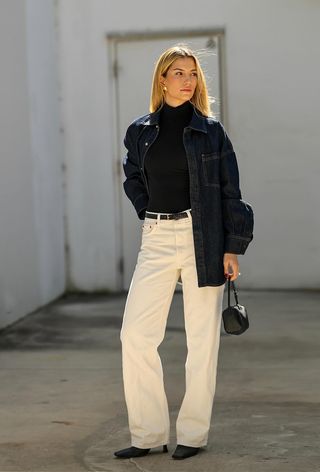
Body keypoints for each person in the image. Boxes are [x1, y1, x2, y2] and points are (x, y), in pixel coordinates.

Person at [114, 45, 254, 461]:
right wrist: (145, 210)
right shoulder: (140, 130)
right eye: (178, 72)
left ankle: (193, 434)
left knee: (202, 339)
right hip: (156, 236)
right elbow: (132, 175)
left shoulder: (211, 131)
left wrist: (234, 246)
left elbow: (232, 191)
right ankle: (148, 434)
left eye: (192, 73)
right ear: (162, 79)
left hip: (203, 236)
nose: (188, 80)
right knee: (135, 336)